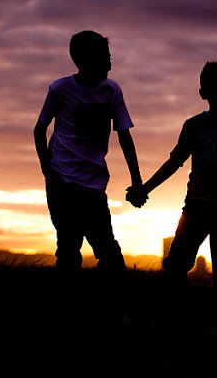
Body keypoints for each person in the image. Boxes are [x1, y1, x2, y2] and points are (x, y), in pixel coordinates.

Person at [127, 61, 217, 327]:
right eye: (212, 86)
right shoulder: (193, 126)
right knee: (176, 264)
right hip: (196, 206)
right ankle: (173, 320)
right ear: (202, 92)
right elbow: (174, 162)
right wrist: (144, 189)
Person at [34, 31, 144, 308]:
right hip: (61, 181)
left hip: (94, 184)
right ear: (83, 61)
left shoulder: (111, 91)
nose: (110, 64)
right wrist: (47, 169)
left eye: (109, 57)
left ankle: (116, 309)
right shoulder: (60, 89)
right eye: (105, 58)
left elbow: (124, 136)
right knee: (68, 248)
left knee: (107, 249)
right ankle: (70, 311)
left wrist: (137, 180)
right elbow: (39, 129)